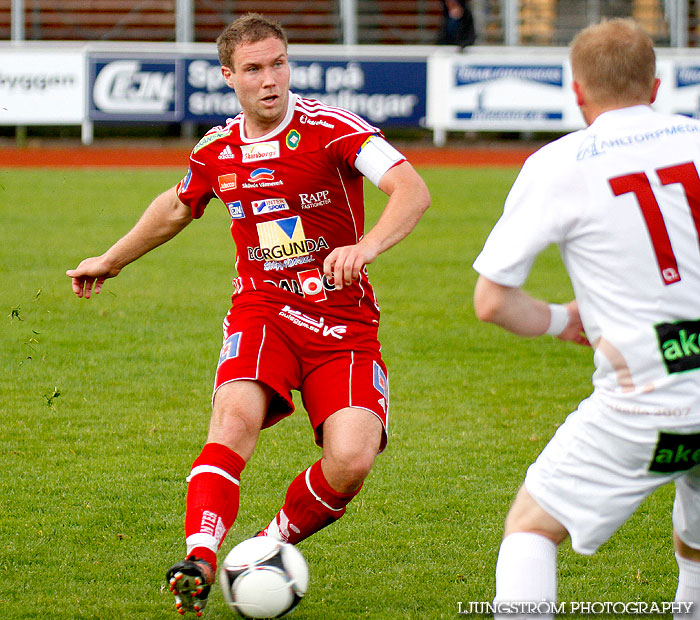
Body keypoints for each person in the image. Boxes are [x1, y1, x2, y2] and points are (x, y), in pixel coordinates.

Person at [66, 12, 430, 617]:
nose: (270, 80)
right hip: (262, 311)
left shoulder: (333, 129)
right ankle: (200, 558)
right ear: (229, 77)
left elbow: (410, 187)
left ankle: (270, 546)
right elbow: (177, 208)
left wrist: (365, 248)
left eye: (279, 63)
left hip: (343, 324)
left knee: (353, 458)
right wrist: (111, 258)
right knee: (233, 419)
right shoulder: (218, 150)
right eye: (254, 69)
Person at [472, 18, 700, 619]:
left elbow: (492, 301)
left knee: (529, 528)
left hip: (646, 400)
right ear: (656, 86)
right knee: (697, 537)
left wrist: (558, 320)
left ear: (577, 93)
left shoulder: (560, 163)